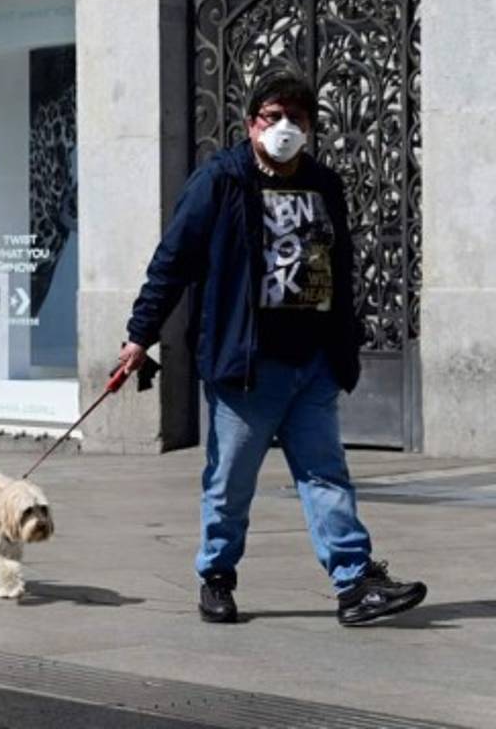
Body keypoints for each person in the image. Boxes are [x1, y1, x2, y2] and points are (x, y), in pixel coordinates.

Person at [118, 72, 426, 626]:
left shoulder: (325, 184)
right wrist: (141, 334)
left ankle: (354, 584)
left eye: (297, 118)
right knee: (231, 482)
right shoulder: (221, 180)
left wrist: (343, 341)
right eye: (272, 116)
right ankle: (216, 576)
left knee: (326, 475)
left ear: (311, 127)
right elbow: (173, 260)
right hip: (246, 367)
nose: (284, 127)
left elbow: (343, 263)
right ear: (251, 123)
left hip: (313, 364)